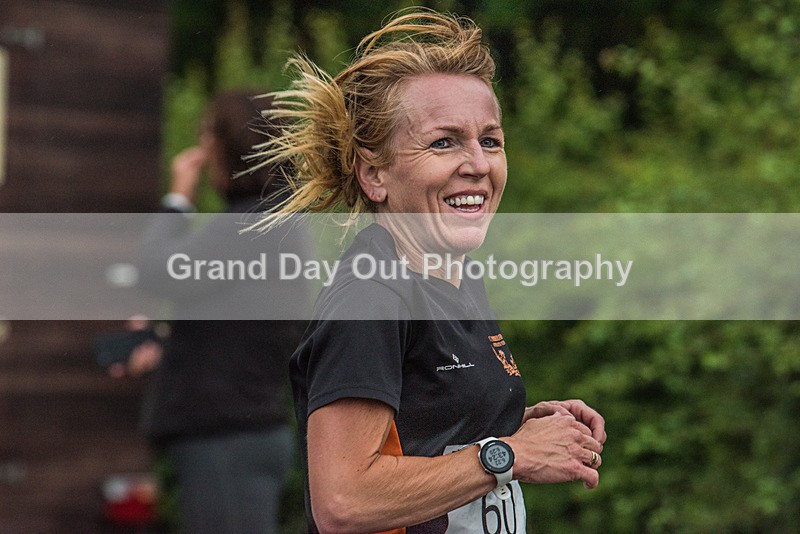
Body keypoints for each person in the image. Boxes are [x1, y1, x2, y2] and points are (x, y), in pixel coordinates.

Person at [254, 9, 607, 533]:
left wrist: (522, 431)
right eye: (444, 142)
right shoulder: (371, 301)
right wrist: (508, 455)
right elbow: (343, 502)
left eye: (490, 140)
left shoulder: (454, 278)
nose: (478, 164)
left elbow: (427, 438)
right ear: (374, 174)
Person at [129, 90, 310, 533]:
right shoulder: (271, 224)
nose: (202, 150)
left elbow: (156, 269)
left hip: (228, 438)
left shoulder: (253, 225)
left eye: (208, 136)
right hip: (241, 432)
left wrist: (178, 199)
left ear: (233, 146)